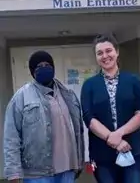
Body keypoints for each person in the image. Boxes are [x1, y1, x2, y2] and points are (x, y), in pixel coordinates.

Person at [3, 51, 85, 183]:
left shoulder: (68, 95)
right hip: (38, 174)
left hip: (68, 169)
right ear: (32, 72)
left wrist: (80, 161)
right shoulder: (21, 97)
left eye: (47, 64)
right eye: (39, 66)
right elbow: (11, 137)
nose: (44, 68)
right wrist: (13, 172)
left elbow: (78, 131)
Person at [80, 33, 140, 183]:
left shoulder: (133, 80)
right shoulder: (89, 85)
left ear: (117, 52)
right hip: (101, 155)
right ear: (96, 57)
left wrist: (119, 134)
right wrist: (114, 140)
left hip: (131, 150)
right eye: (100, 53)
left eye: (108, 51)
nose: (105, 56)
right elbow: (88, 117)